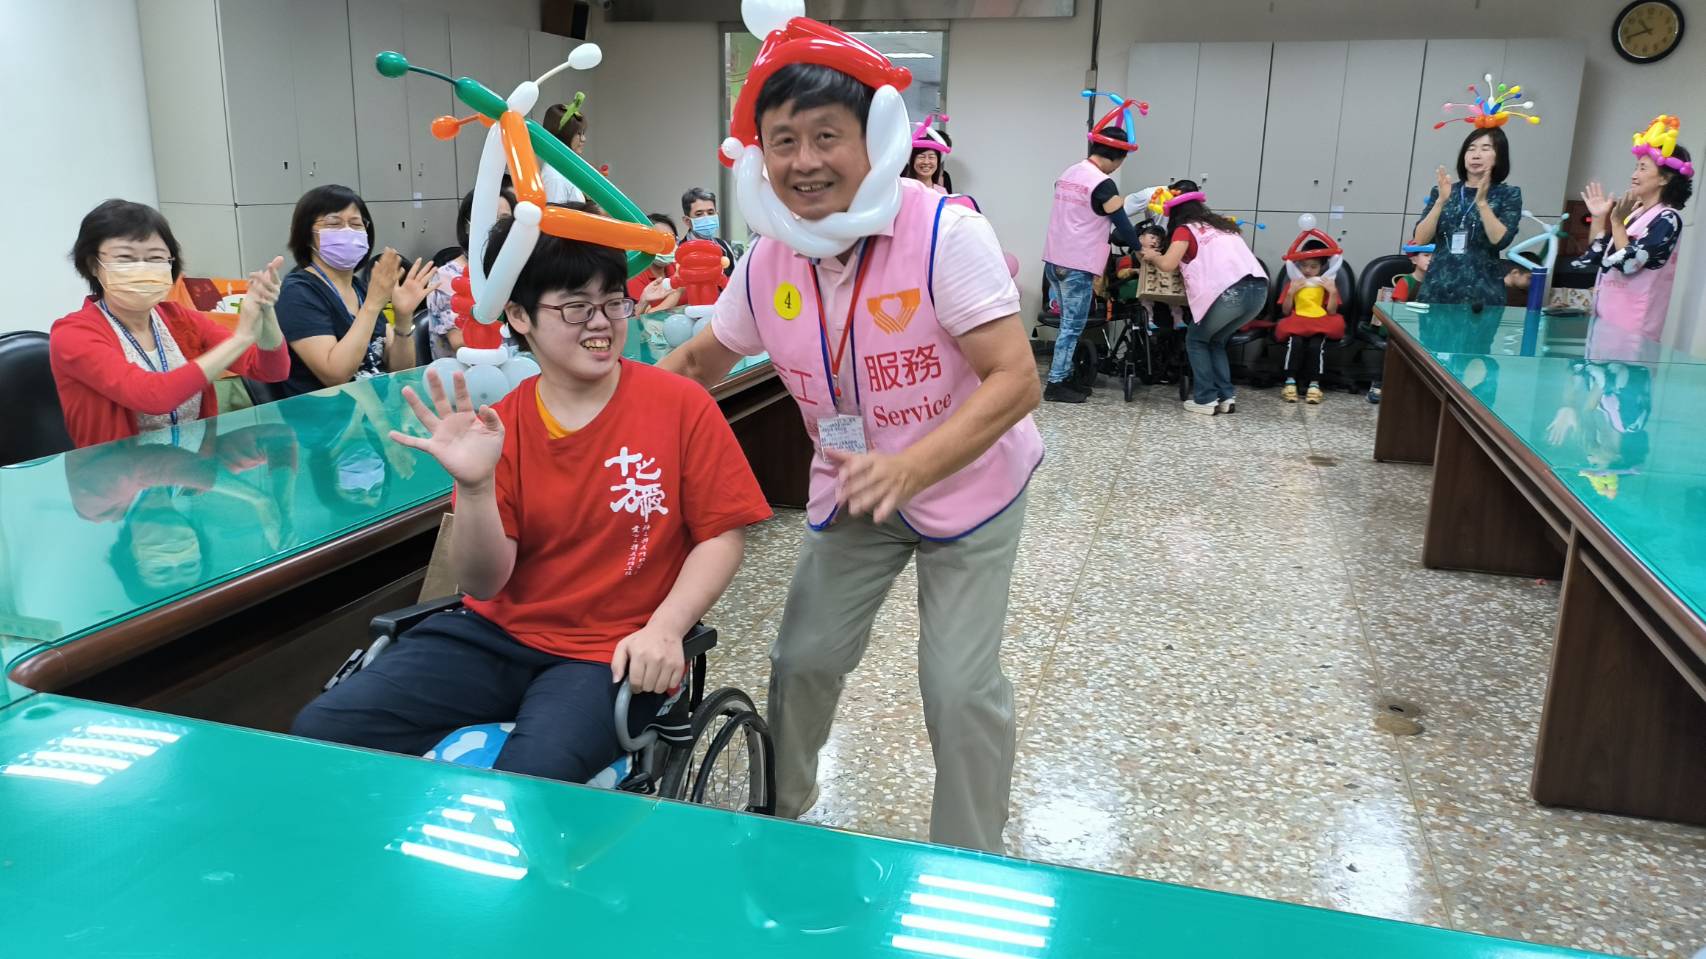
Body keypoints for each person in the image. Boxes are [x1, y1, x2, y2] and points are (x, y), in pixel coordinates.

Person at [660, 23, 1042, 854]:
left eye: (826, 136)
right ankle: (783, 816)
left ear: (875, 141)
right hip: (853, 489)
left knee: (957, 687)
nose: (805, 162)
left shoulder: (945, 235)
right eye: (783, 141)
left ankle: (970, 859)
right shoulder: (770, 258)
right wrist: (606, 410)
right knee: (800, 660)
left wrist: (911, 467)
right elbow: (698, 360)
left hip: (969, 487)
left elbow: (1016, 379)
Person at [291, 219, 773, 783]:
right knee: (320, 732)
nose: (600, 322)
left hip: (609, 652)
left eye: (612, 302)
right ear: (519, 316)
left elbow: (721, 534)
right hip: (495, 637)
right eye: (575, 307)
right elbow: (484, 583)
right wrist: (475, 489)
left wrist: (667, 628)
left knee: (531, 781)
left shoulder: (680, 405)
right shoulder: (503, 425)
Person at [51, 200, 291, 448]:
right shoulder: (72, 334)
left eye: (155, 258)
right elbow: (154, 396)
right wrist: (241, 338)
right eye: (125, 258)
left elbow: (271, 371)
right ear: (93, 265)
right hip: (117, 470)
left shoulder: (179, 318)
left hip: (192, 465)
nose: (142, 268)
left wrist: (266, 310)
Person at [273, 185, 437, 398]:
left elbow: (401, 370)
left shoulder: (358, 289)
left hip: (379, 408)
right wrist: (373, 304)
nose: (347, 232)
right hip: (328, 415)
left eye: (356, 224)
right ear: (306, 235)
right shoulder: (298, 292)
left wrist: (403, 317)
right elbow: (335, 375)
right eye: (334, 224)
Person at [1141, 181, 1267, 415]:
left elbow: (1168, 264)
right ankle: (1226, 397)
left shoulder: (1185, 229)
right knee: (1215, 341)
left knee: (1196, 340)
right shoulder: (1222, 226)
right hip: (1258, 289)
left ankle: (1206, 399)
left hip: (1229, 293)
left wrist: (1152, 256)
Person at [1040, 124, 1143, 403]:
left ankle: (1066, 376)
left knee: (1067, 326)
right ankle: (1056, 384)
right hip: (1076, 264)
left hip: (1054, 260)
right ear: (1118, 157)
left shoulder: (1069, 173)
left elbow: (1080, 214)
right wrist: (1138, 249)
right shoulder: (1102, 184)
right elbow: (1122, 222)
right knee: (1072, 328)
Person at [1574, 117, 1694, 343]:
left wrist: (1617, 223)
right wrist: (1599, 218)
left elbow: (1629, 264)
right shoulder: (1636, 214)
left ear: (1664, 179)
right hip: (1606, 321)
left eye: (1642, 168)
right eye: (1635, 167)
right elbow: (1598, 254)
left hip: (1632, 329)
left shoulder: (1668, 218)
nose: (1634, 175)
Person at [1410, 127, 1522, 307]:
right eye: (1471, 148)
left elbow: (1500, 241)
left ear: (1499, 156)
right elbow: (1420, 239)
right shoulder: (1444, 191)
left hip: (1482, 296)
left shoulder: (1508, 194)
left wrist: (1482, 203)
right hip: (1436, 291)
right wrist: (1440, 202)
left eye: (1485, 148)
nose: (1476, 155)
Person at [424, 188, 516, 360]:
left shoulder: (513, 271)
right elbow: (461, 341)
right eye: (486, 218)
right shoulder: (446, 277)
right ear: (467, 225)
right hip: (465, 372)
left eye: (504, 220)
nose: (496, 227)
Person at [1274, 237, 1344, 405]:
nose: (1307, 270)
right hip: (1297, 321)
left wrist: (1332, 292)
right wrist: (1291, 293)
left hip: (1320, 322)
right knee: (1295, 343)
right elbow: (1285, 311)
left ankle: (1314, 384)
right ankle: (1290, 381)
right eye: (1304, 265)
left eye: (1313, 267)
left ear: (1322, 267)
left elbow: (1332, 311)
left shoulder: (1325, 284)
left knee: (1315, 346)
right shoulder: (1294, 283)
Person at [1366, 246, 1432, 405]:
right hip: (1400, 326)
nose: (1431, 259)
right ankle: (1378, 384)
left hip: (1421, 328)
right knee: (1392, 348)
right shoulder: (1406, 281)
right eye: (1426, 255)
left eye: (1435, 256)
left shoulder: (1434, 284)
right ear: (1414, 259)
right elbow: (1399, 309)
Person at [628, 214, 683, 315]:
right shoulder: (635, 274)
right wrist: (678, 290)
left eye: (671, 239)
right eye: (660, 239)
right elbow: (646, 316)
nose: (667, 245)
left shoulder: (677, 267)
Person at [540, 94, 590, 205]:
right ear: (563, 135)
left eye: (583, 133)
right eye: (578, 133)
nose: (583, 139)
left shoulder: (563, 171)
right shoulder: (555, 177)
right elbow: (556, 215)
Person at [680, 187, 737, 276]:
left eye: (710, 213)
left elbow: (736, 278)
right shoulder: (679, 251)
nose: (706, 218)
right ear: (687, 221)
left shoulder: (724, 246)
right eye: (699, 214)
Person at [904, 123, 952, 194]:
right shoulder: (903, 188)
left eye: (931, 157)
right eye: (921, 157)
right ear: (912, 160)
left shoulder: (942, 192)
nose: (926, 162)